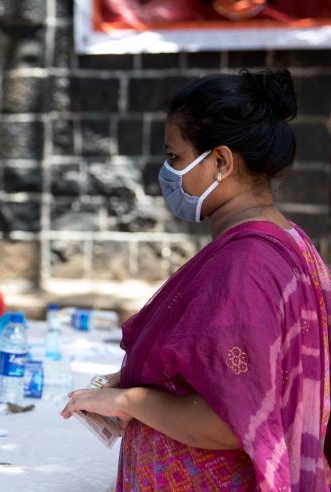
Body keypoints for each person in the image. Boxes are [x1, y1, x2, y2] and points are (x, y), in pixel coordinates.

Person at [61, 68, 331, 491]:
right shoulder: (285, 238)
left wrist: (127, 400)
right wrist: (140, 384)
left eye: (175, 158)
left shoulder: (246, 264)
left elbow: (231, 418)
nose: (167, 174)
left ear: (221, 161)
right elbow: (227, 369)